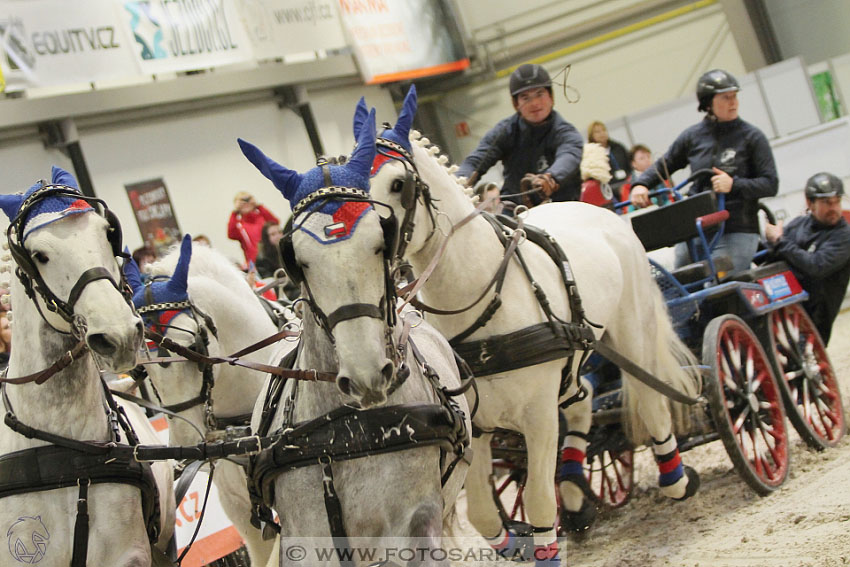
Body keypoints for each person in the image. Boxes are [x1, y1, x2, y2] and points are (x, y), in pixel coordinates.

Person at [629, 69, 779, 272]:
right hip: (695, 229)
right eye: (726, 98)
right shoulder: (692, 137)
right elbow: (666, 163)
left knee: (717, 282)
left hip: (737, 229)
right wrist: (641, 184)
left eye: (734, 96)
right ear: (708, 103)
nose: (733, 102)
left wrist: (733, 185)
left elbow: (770, 184)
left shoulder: (752, 137)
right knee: (681, 282)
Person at [455, 63, 584, 210]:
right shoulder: (504, 131)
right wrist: (459, 182)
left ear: (551, 97)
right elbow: (476, 160)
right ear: (516, 104)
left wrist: (550, 178)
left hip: (562, 209)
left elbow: (569, 156)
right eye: (525, 97)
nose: (534, 103)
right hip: (516, 213)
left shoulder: (567, 133)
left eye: (539, 94)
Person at [764, 172, 850, 344]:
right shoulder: (798, 225)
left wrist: (779, 241)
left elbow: (816, 267)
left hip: (813, 316)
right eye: (826, 202)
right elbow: (770, 255)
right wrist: (766, 241)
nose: (833, 208)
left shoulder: (844, 236)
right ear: (810, 203)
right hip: (784, 308)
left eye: (836, 201)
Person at [227, 191, 280, 267]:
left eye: (248, 199)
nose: (246, 203)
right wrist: (235, 212)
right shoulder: (239, 224)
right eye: (242, 201)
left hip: (272, 257)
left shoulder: (262, 217)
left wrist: (258, 206)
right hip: (254, 263)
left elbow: (275, 222)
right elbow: (231, 235)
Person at [619, 144, 673, 211]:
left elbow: (671, 199)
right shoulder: (627, 185)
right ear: (634, 164)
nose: (647, 160)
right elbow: (627, 210)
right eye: (642, 158)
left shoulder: (662, 177)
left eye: (648, 157)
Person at [587, 120, 630, 197]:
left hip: (625, 183)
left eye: (603, 130)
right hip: (607, 189)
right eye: (597, 132)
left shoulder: (618, 147)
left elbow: (629, 164)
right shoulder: (591, 154)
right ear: (591, 135)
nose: (602, 133)